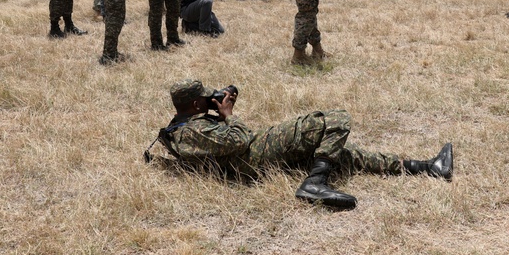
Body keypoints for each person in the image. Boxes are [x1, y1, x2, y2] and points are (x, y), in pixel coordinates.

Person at [158, 80, 454, 210]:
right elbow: (239, 140)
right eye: (205, 97)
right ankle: (315, 183)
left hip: (254, 156)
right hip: (254, 157)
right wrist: (227, 115)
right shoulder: (190, 132)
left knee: (340, 153)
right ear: (195, 103)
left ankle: (427, 167)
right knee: (334, 120)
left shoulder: (183, 126)